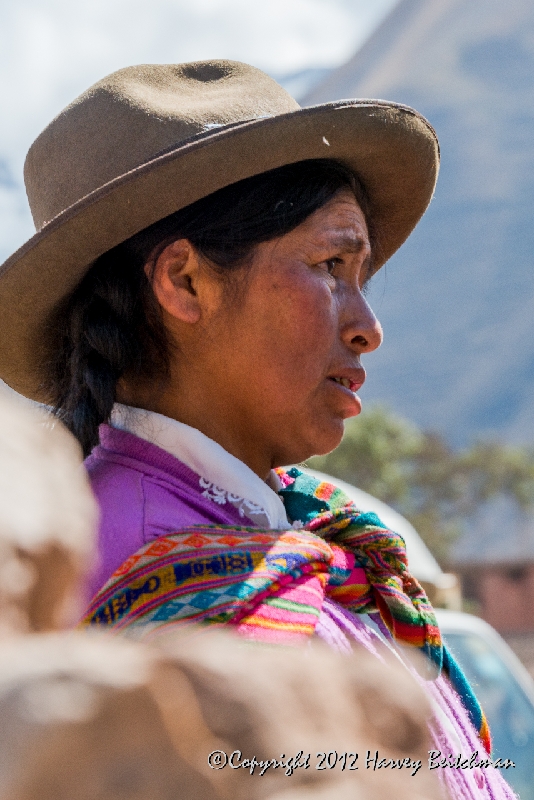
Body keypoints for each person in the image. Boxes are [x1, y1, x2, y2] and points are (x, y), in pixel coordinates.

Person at [0, 61, 516, 798]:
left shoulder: (287, 535)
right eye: (331, 264)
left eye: (362, 276)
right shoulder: (158, 578)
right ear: (185, 283)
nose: (368, 327)